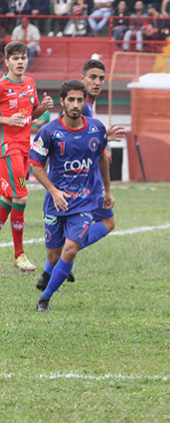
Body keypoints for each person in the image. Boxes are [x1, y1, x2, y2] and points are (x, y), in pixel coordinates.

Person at [36, 58, 125, 290]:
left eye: (101, 79)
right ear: (82, 79)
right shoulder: (82, 106)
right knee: (108, 221)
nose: (97, 83)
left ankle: (51, 269)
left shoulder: (89, 106)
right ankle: (58, 262)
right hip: (85, 183)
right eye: (92, 77)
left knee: (105, 222)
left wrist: (103, 145)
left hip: (88, 178)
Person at [30, 80, 112, 312]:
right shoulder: (49, 132)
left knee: (70, 249)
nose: (75, 104)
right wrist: (54, 191)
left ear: (84, 102)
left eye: (79, 100)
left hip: (84, 201)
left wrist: (107, 190)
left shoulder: (96, 128)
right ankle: (53, 272)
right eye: (71, 100)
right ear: (62, 101)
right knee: (54, 256)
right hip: (57, 202)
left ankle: (44, 299)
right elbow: (36, 166)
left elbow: (102, 159)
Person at [0, 41, 54, 272]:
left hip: (24, 147)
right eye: (15, 58)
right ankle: (19, 255)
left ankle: (19, 254)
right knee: (21, 197)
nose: (20, 62)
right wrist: (5, 120)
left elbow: (31, 114)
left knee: (10, 199)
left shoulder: (30, 83)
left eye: (23, 58)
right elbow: (9, 118)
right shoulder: (2, 85)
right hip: (8, 148)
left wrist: (43, 106)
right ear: (7, 62)